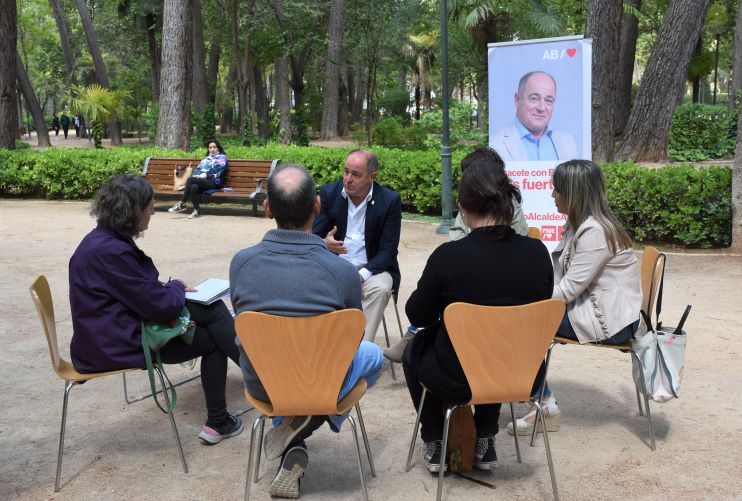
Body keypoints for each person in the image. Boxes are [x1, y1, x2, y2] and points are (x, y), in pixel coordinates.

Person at [230, 164, 383, 499]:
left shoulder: (241, 263)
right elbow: (351, 339)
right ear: (317, 205)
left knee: (277, 358)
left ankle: (292, 432)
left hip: (265, 384)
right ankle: (308, 419)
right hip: (322, 382)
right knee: (372, 353)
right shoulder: (340, 271)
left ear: (267, 208)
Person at [402, 159, 554, 473]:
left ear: (464, 208)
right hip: (523, 374)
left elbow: (417, 313)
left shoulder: (449, 257)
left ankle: (435, 440)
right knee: (501, 343)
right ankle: (485, 437)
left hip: (457, 379)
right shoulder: (538, 253)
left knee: (414, 348)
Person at [69, 174, 244, 445]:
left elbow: (135, 292)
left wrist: (170, 289)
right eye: (149, 206)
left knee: (210, 310)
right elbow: (159, 307)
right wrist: (174, 287)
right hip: (117, 344)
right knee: (212, 333)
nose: (152, 211)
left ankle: (236, 401)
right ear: (132, 211)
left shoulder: (101, 240)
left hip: (107, 334)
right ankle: (259, 383)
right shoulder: (111, 251)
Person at [507, 159, 642, 436]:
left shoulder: (594, 232)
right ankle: (538, 398)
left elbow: (567, 290)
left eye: (556, 190)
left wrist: (524, 298)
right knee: (521, 314)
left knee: (521, 322)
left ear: (574, 194)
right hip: (602, 312)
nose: (552, 195)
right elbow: (561, 281)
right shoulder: (583, 224)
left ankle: (542, 403)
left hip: (611, 323)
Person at [384, 147, 530, 363]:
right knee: (450, 283)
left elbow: (515, 239)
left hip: (495, 282)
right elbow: (458, 234)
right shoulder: (537, 254)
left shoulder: (508, 211)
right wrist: (468, 250)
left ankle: (413, 338)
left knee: (446, 293)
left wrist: (471, 251)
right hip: (519, 359)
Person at [312, 149, 402, 343]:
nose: (348, 179)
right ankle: (320, 348)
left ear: (372, 177)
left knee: (381, 289)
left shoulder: (389, 201)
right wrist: (324, 244)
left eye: (355, 174)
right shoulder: (329, 193)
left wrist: (361, 276)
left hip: (372, 270)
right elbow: (314, 237)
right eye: (346, 172)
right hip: (333, 268)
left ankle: (356, 352)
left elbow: (388, 251)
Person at [491, 71, 578, 162]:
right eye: (534, 98)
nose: (541, 108)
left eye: (548, 100)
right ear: (518, 100)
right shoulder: (496, 146)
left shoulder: (568, 143)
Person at [168, 140, 228, 219]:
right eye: (210, 147)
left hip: (214, 182)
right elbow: (198, 169)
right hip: (203, 182)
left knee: (190, 179)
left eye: (214, 147)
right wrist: (197, 175)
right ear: (208, 149)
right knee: (194, 187)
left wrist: (205, 175)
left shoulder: (222, 158)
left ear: (218, 148)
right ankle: (196, 211)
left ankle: (181, 203)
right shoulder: (205, 159)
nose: (212, 149)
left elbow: (219, 170)